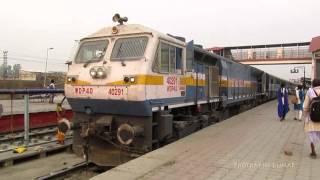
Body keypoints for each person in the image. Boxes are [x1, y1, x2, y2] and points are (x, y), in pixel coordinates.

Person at [303, 79, 320, 159]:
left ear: (313, 84)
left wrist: (305, 113)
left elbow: (305, 106)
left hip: (313, 117)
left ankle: (313, 152)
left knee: (312, 136)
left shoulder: (310, 92)